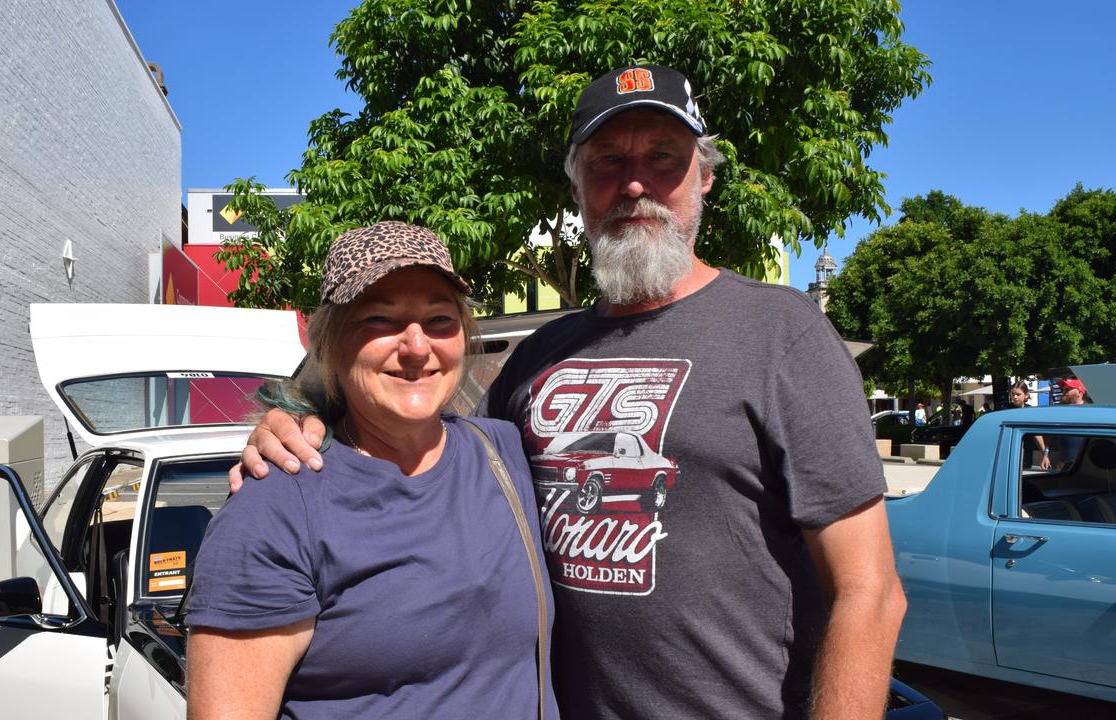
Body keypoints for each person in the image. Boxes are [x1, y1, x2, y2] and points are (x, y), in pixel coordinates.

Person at [234, 65, 905, 720]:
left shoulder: (782, 331)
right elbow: (416, 431)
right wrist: (295, 415)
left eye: (664, 159)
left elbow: (869, 592)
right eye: (606, 161)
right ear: (577, 187)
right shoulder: (538, 358)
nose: (634, 183)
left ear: (703, 178)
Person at [186, 221, 558, 720]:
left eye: (440, 318)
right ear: (331, 343)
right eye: (380, 319)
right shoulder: (276, 506)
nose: (417, 346)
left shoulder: (503, 451)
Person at [1008, 380, 1050, 469]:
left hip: (1026, 455)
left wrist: (1045, 455)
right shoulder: (1006, 410)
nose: (1015, 397)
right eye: (1013, 394)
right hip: (1008, 454)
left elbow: (1037, 433)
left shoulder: (1030, 411)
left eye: (1018, 394)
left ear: (1026, 395)